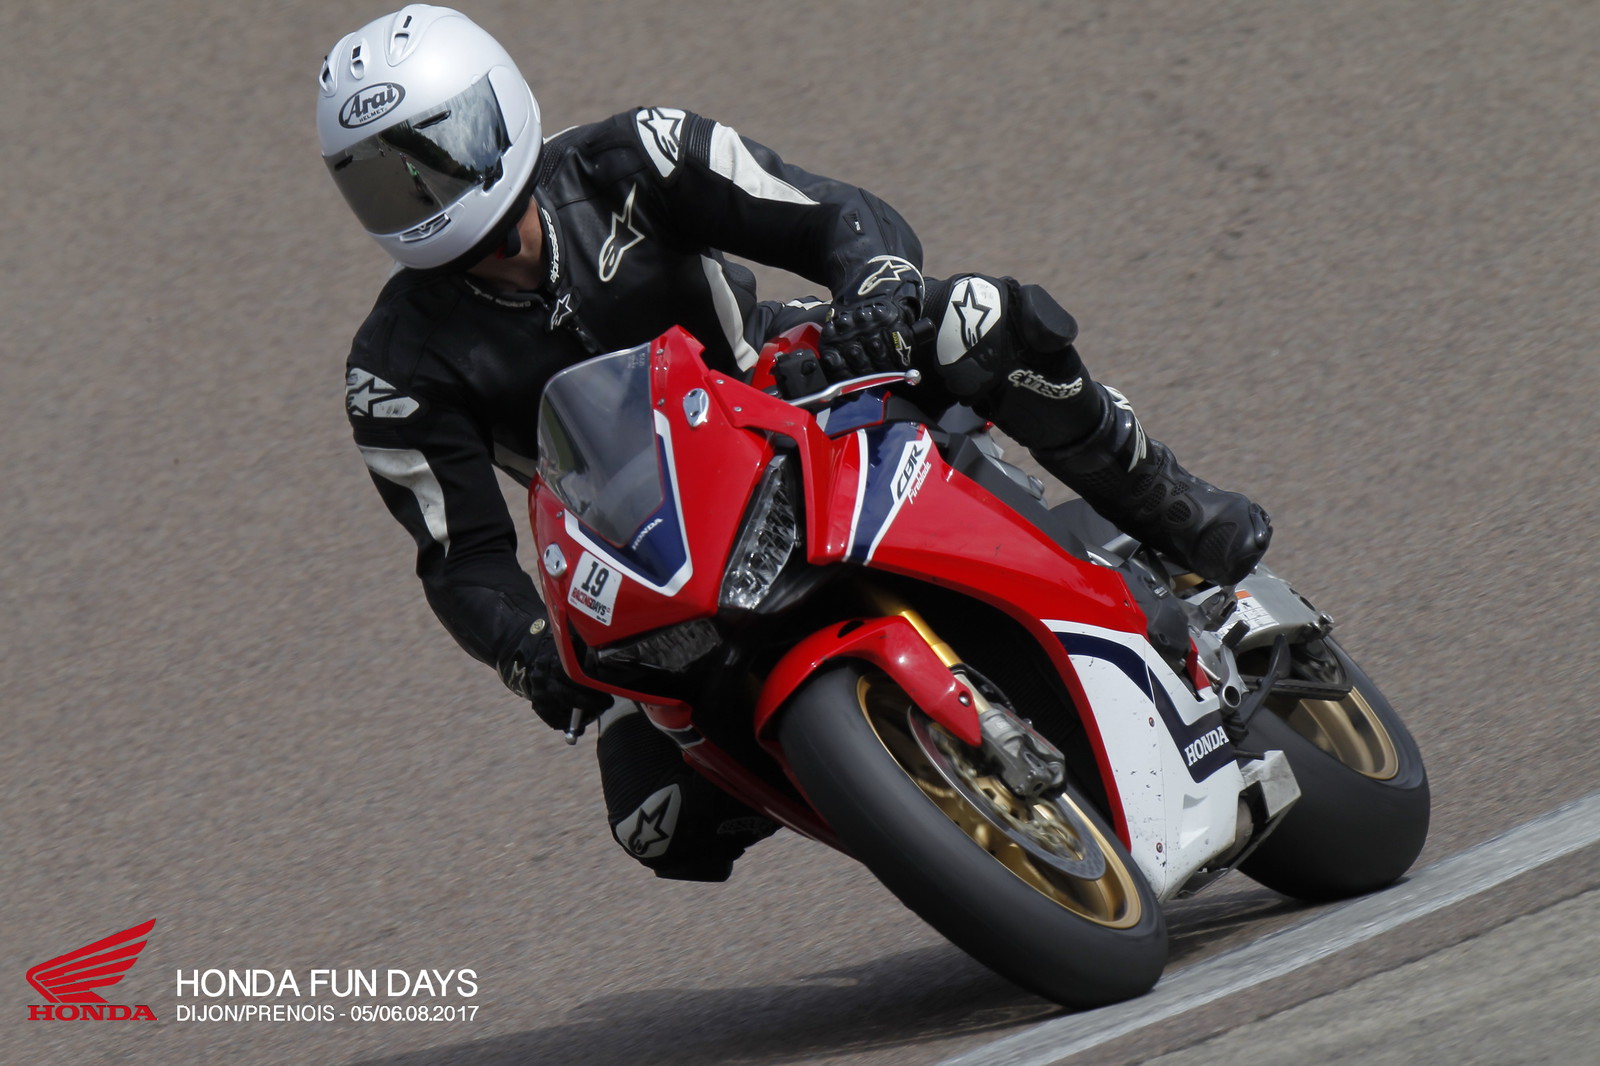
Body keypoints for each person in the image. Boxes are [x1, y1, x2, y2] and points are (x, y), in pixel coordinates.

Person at [318, 5, 1271, 883]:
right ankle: (892, 791)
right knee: (657, 821)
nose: (422, 192)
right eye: (383, 180)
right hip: (645, 542)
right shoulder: (393, 369)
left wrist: (875, 292)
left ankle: (1166, 504)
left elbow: (831, 214)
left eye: (437, 153)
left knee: (975, 320)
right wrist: (527, 649)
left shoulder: (634, 157)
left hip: (779, 390)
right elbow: (463, 558)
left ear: (500, 109)